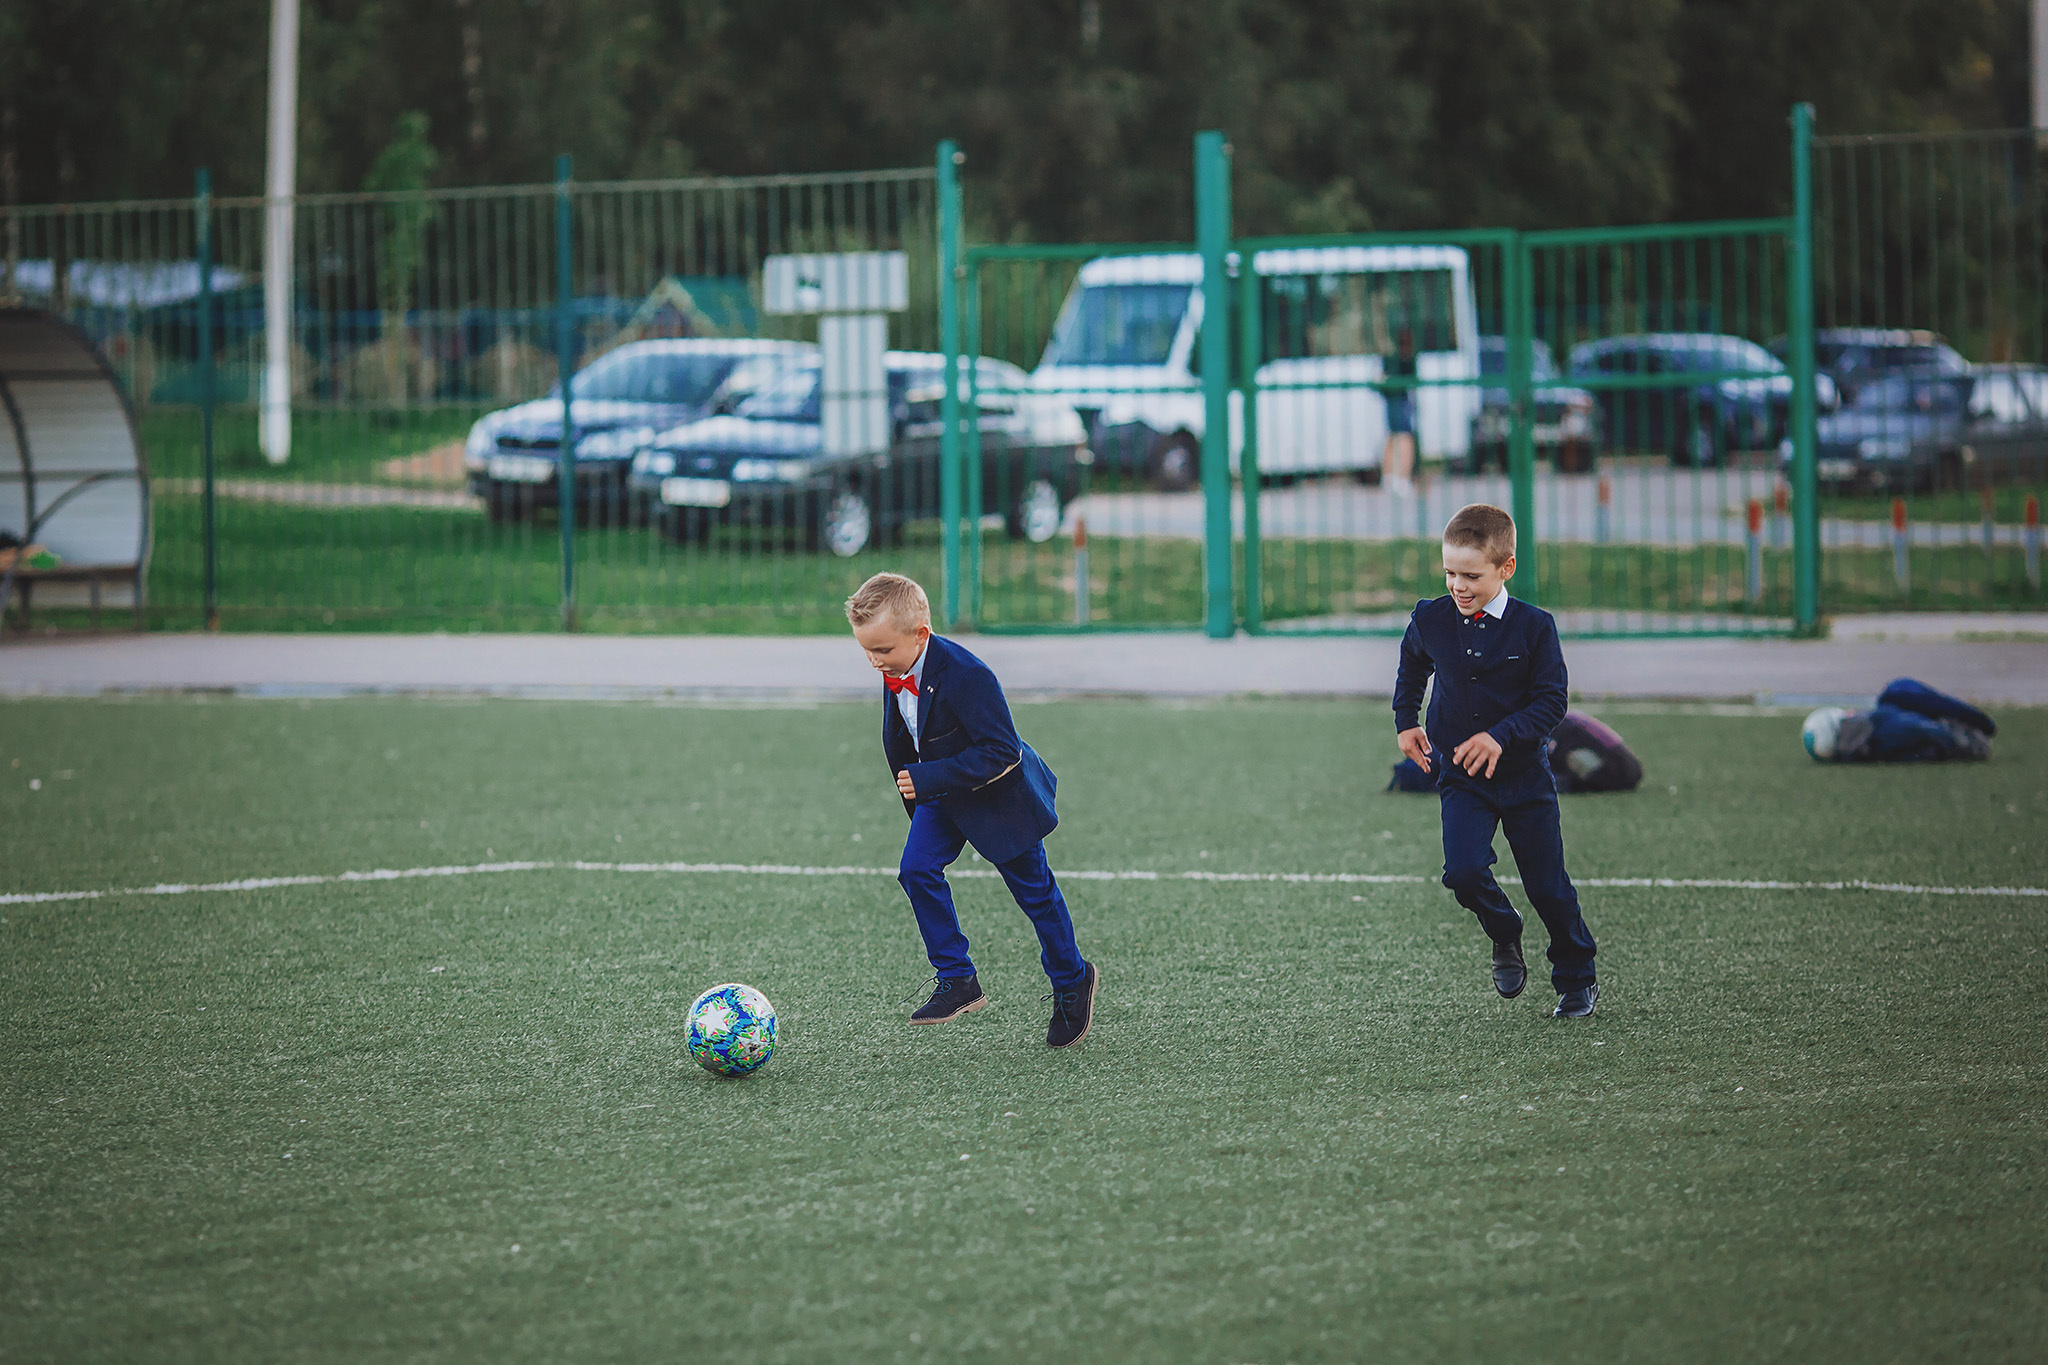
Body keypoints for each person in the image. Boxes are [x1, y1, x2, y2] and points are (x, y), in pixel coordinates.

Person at [845, 572, 1099, 1047]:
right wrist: (920, 792)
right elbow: (906, 736)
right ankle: (958, 979)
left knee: (1035, 895)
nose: (874, 662)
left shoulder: (969, 675)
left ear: (921, 634)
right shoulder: (895, 666)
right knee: (916, 870)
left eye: (882, 651)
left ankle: (1072, 980)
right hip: (940, 796)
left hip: (999, 797)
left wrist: (927, 779)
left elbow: (1002, 751)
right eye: (866, 650)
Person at [1392, 503, 1600, 1018]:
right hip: (1461, 778)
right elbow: (1413, 664)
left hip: (1525, 777)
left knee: (1548, 888)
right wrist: (1406, 721)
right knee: (1462, 872)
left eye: (1471, 575)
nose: (1458, 586)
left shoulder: (1535, 628)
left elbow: (1553, 701)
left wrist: (1500, 737)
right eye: (1449, 573)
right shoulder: (1430, 617)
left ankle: (1577, 977)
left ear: (1505, 568)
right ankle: (1504, 930)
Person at [1379, 326, 1419, 496]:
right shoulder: (1407, 359)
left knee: (1392, 437)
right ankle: (1402, 479)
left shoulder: (1388, 359)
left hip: (1391, 400)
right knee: (1405, 439)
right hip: (1400, 400)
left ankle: (1388, 478)